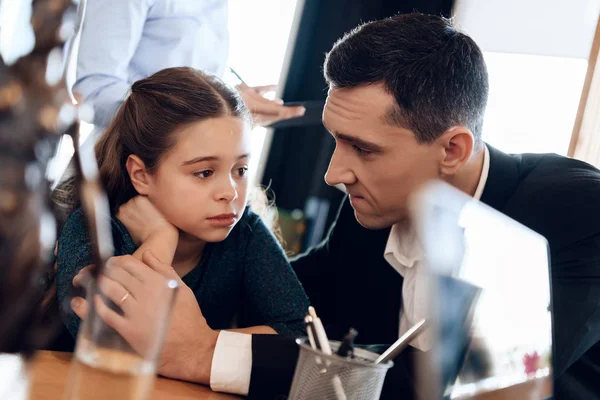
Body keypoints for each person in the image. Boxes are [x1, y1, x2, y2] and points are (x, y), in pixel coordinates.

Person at [69, 14, 600, 399]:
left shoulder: (575, 212)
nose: (332, 174)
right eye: (336, 141)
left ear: (452, 150)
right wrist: (176, 245)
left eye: (363, 148)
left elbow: (466, 386)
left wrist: (206, 353)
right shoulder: (375, 209)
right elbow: (295, 305)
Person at [55, 67, 309, 384]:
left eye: (240, 169)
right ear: (141, 175)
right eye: (204, 172)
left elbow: (302, 337)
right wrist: (160, 240)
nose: (230, 191)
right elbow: (102, 333)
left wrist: (201, 343)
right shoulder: (94, 225)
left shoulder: (245, 232)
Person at [72, 0, 305, 130]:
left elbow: (189, 74)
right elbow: (93, 91)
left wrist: (231, 102)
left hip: (184, 170)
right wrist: (212, 109)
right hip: (117, 174)